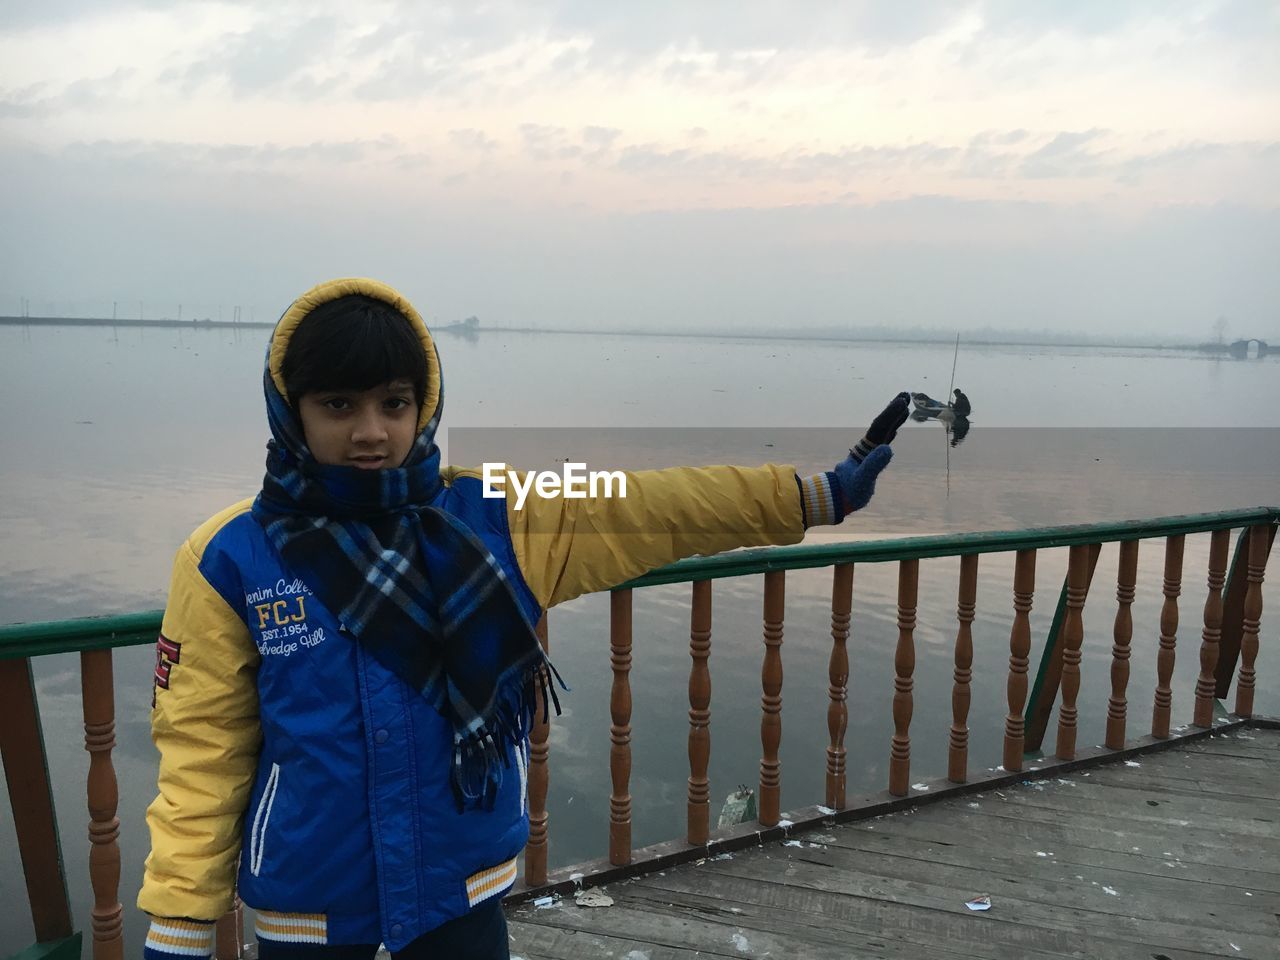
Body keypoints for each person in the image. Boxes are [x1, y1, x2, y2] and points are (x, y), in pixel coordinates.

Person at [138, 277, 909, 960]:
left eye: (394, 404)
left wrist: (814, 495)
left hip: (457, 880)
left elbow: (654, 504)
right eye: (338, 405)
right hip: (308, 893)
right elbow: (202, 750)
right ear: (290, 409)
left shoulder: (495, 513)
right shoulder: (229, 555)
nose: (370, 431)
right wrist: (180, 921)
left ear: (424, 405)